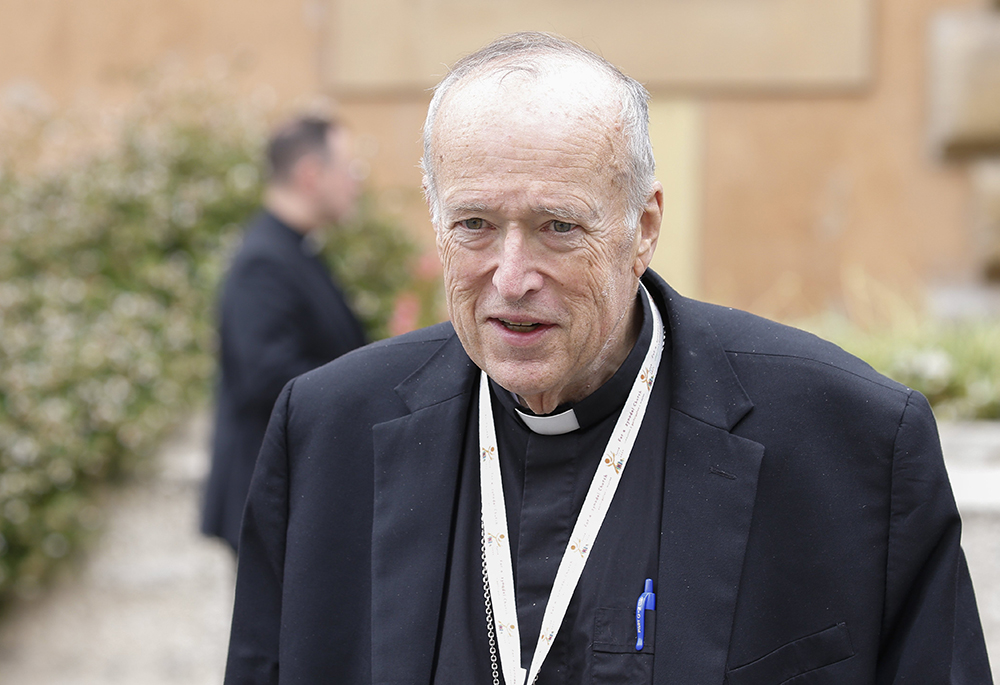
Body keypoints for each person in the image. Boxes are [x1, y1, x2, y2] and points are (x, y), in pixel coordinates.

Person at [224, 33, 992, 684]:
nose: (513, 275)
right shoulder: (325, 434)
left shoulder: (853, 444)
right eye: (475, 224)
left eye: (558, 226)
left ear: (644, 225)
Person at [201, 116, 368, 553]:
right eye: (349, 168)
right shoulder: (265, 261)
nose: (356, 182)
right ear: (310, 175)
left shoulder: (292, 250)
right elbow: (268, 377)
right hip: (273, 502)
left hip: (291, 498)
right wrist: (368, 387)